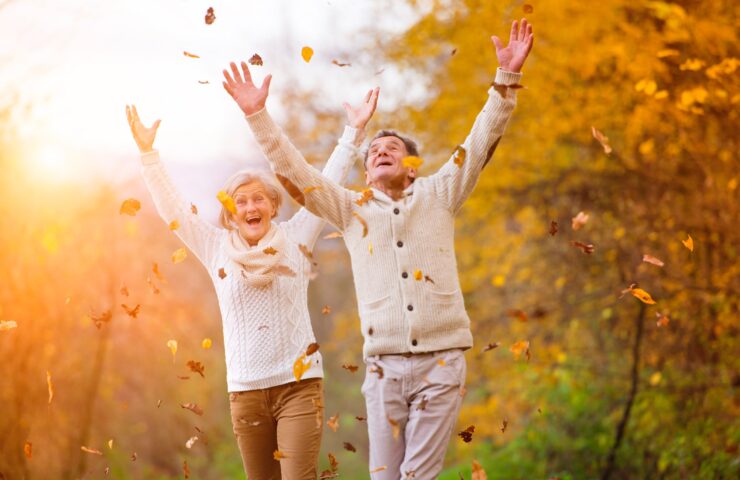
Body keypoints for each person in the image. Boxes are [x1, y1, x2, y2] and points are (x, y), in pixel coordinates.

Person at [223, 18, 533, 480]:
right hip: (383, 368)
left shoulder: (441, 192)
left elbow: (480, 140)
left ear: (411, 167)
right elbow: (295, 172)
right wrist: (257, 116)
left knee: (416, 476)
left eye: (390, 148)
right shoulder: (350, 209)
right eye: (372, 153)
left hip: (442, 360)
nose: (379, 153)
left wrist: (505, 80)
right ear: (366, 173)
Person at [125, 81, 378, 480]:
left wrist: (353, 132)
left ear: (274, 205)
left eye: (259, 198)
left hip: (299, 387)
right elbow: (173, 211)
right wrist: (148, 155)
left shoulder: (297, 237)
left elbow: (321, 186)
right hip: (245, 393)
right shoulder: (214, 247)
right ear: (230, 213)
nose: (250, 206)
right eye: (241, 201)